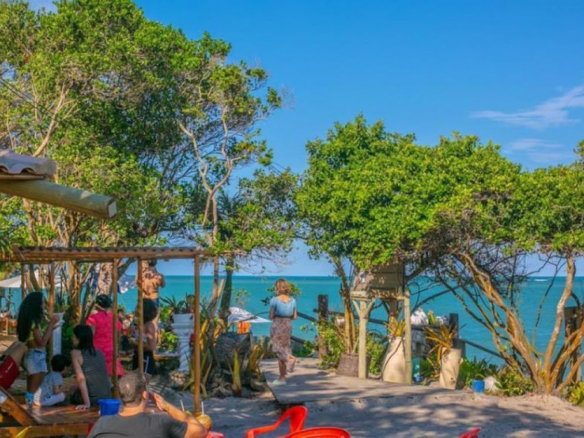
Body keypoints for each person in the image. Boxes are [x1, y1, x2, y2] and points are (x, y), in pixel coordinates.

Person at [88, 371, 207, 438]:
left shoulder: (102, 424)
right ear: (145, 395)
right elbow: (201, 431)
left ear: (121, 396)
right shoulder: (161, 423)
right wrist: (167, 406)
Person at [17, 291, 60, 408]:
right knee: (33, 391)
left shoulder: (29, 321)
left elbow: (38, 339)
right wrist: (51, 325)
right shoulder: (33, 322)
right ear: (36, 305)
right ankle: (29, 410)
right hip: (36, 355)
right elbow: (42, 342)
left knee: (31, 387)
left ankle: (29, 408)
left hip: (32, 355)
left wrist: (50, 328)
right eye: (42, 303)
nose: (43, 305)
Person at [70, 324, 112, 410]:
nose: (72, 339)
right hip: (106, 396)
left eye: (74, 337)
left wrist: (87, 403)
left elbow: (81, 379)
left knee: (71, 391)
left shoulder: (75, 353)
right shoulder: (100, 353)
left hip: (92, 398)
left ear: (79, 339)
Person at [268, 278, 297, 385]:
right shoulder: (293, 301)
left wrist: (277, 315)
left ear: (278, 288)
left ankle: (288, 362)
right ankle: (282, 377)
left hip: (278, 324)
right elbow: (295, 316)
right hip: (288, 325)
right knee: (284, 347)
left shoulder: (274, 300)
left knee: (278, 349)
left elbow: (271, 316)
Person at [87, 294, 124, 377]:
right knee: (111, 378)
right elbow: (118, 335)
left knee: (97, 378)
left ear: (97, 304)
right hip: (111, 352)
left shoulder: (93, 318)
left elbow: (90, 335)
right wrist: (117, 349)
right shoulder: (114, 318)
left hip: (97, 352)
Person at [132, 298, 158, 383]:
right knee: (135, 385)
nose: (135, 309)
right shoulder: (139, 324)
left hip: (145, 358)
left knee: (142, 385)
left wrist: (137, 343)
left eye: (138, 307)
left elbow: (152, 347)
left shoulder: (149, 325)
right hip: (136, 356)